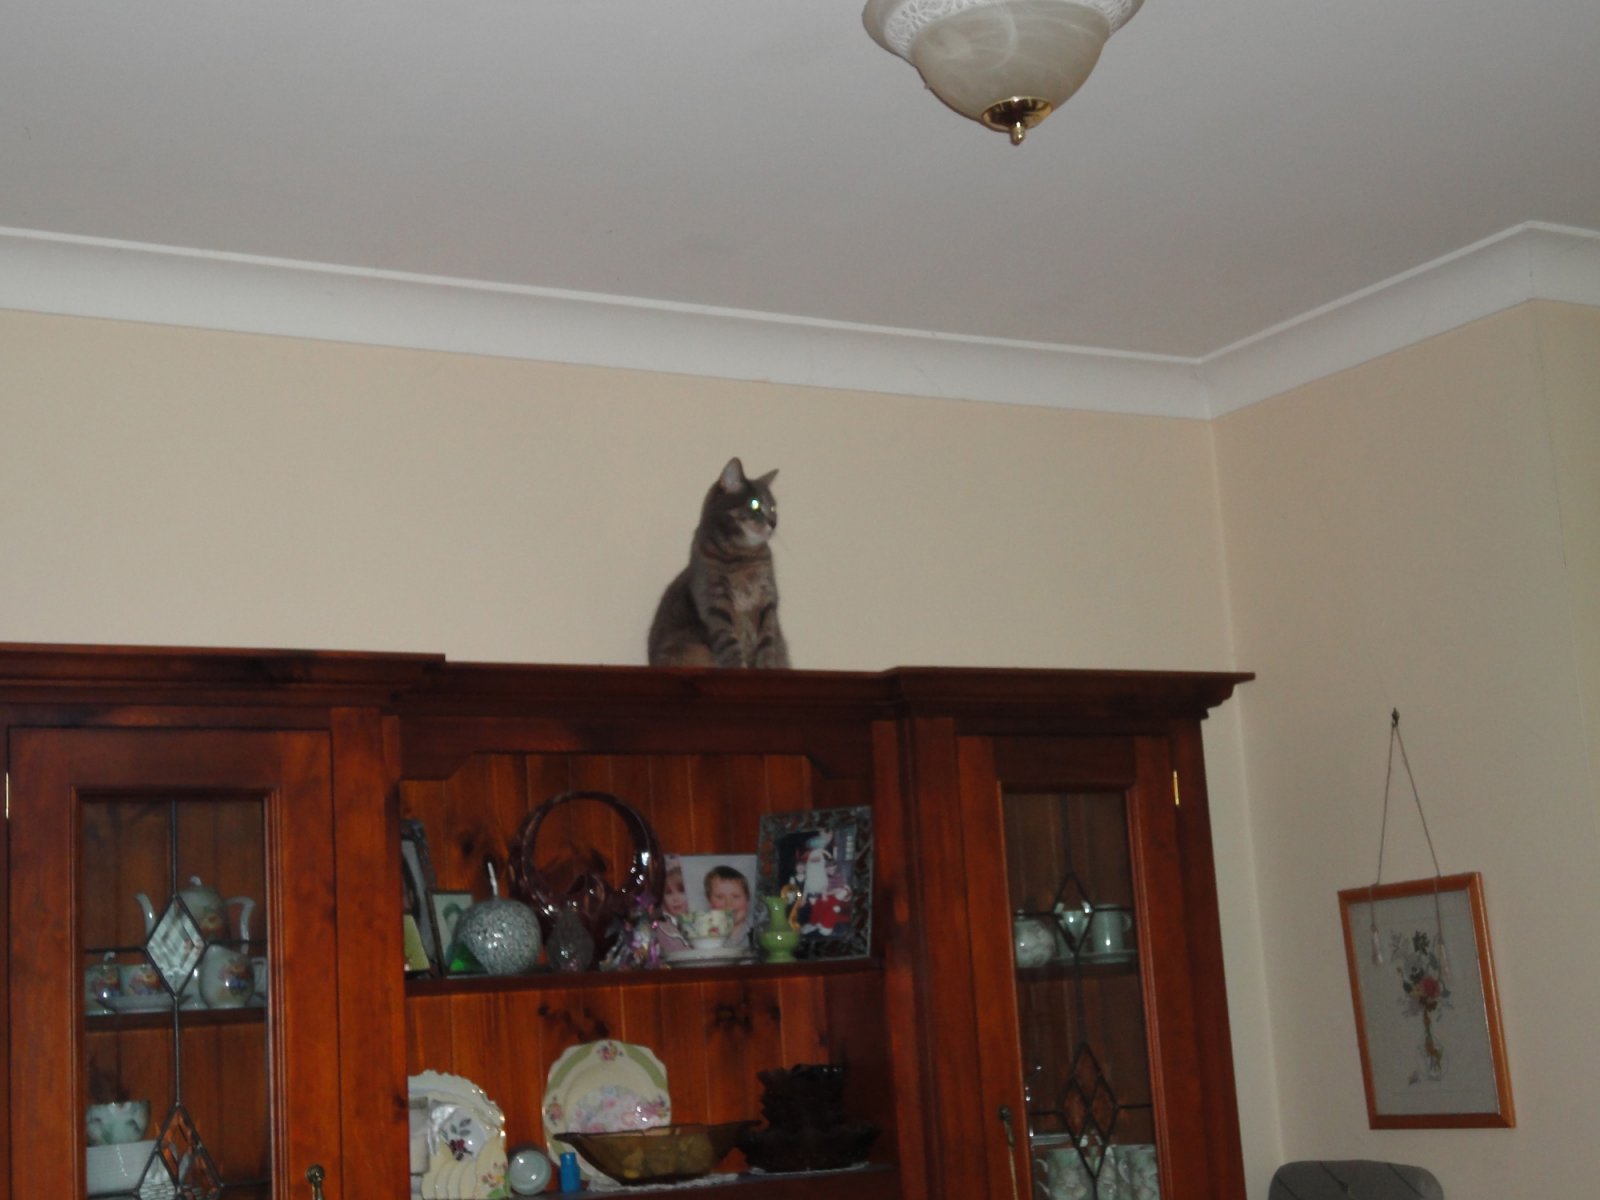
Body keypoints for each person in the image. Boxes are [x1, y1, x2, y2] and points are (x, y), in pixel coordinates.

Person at [704, 863, 752, 942]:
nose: (729, 904)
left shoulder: (758, 937)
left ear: (747, 898)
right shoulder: (704, 938)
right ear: (709, 901)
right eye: (720, 897)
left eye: (736, 896)